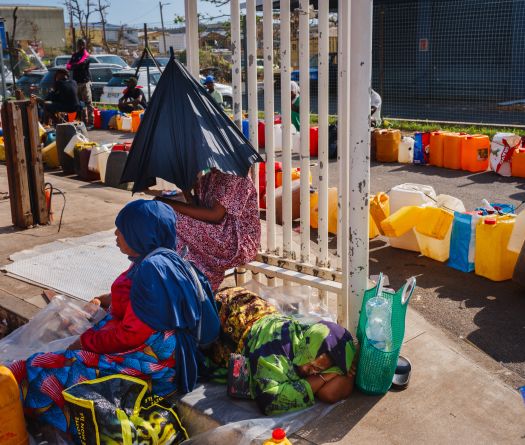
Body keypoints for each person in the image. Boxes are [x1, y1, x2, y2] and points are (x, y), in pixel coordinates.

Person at [8, 199, 220, 433]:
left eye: (123, 229)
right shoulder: (160, 258)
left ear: (141, 233)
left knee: (40, 370)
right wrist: (102, 300)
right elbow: (133, 297)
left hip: (153, 364)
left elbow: (132, 334)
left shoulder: (151, 270)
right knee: (50, 359)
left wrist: (85, 342)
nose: (116, 234)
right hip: (155, 351)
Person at [206, 287, 358, 415]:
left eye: (317, 369)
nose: (306, 370)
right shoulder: (274, 349)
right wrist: (327, 376)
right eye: (310, 362)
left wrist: (345, 372)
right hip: (224, 308)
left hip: (253, 310)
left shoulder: (326, 352)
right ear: (307, 347)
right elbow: (269, 400)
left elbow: (330, 394)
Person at [154, 168, 260, 292]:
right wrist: (187, 191)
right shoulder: (210, 177)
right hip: (218, 234)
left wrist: (167, 203)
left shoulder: (234, 175)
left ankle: (195, 284)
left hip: (236, 242)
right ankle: (181, 281)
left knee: (171, 220)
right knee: (165, 219)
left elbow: (215, 215)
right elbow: (198, 211)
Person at [67, 38, 94, 129]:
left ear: (84, 45)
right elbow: (68, 66)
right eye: (79, 44)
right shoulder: (74, 55)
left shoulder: (86, 55)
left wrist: (74, 66)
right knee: (79, 103)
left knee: (88, 102)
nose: (80, 46)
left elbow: (81, 63)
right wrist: (74, 66)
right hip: (76, 82)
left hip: (85, 82)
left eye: (82, 44)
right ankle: (83, 122)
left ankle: (91, 122)